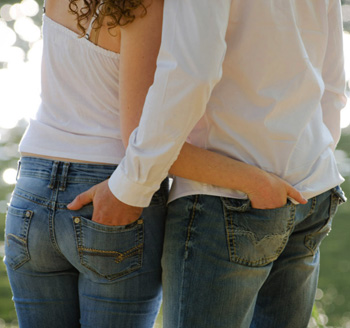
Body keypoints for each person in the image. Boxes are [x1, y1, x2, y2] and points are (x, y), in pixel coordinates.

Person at [4, 0, 305, 327]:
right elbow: (142, 136)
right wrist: (253, 180)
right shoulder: (140, 5)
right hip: (111, 190)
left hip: (30, 194)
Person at [70, 0, 348, 327]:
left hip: (227, 194)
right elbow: (333, 82)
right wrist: (315, 152)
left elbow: (191, 71)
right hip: (311, 185)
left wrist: (131, 184)